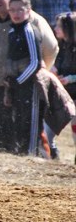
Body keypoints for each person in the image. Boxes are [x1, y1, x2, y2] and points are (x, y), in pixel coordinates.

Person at [0, 0, 59, 152]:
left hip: (22, 86)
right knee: (2, 133)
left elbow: (51, 47)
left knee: (24, 130)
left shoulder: (30, 21)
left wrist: (36, 73)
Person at [5, 0, 46, 155]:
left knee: (31, 122)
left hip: (30, 86)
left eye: (20, 10)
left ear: (28, 11)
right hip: (17, 86)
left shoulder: (29, 31)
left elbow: (35, 62)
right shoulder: (12, 31)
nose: (16, 14)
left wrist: (19, 81)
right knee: (19, 121)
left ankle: (31, 154)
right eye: (12, 10)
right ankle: (21, 153)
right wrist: (9, 82)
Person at [51, 12, 76, 163]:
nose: (55, 29)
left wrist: (69, 79)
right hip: (64, 96)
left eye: (59, 26)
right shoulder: (61, 47)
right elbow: (56, 66)